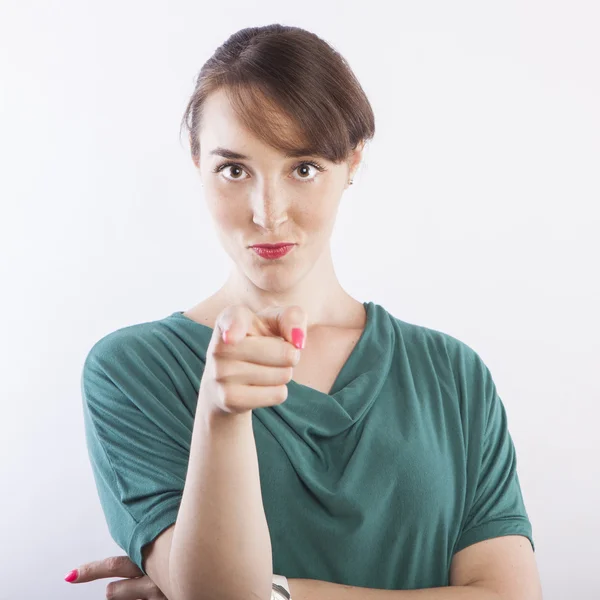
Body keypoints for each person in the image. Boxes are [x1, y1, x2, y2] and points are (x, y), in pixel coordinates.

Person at [68, 24, 542, 600]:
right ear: (197, 163)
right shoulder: (133, 370)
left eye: (304, 167)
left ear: (352, 162)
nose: (268, 214)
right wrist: (219, 412)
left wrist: (279, 592)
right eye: (234, 169)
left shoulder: (452, 374)